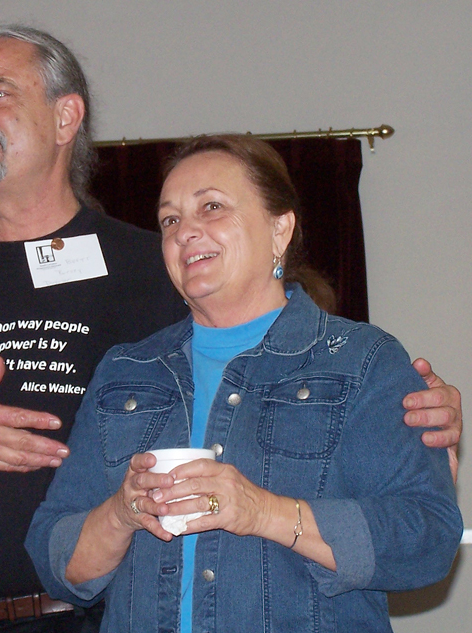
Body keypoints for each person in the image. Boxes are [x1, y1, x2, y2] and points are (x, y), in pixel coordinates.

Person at [0, 24, 461, 633]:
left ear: (67, 117)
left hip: (81, 618)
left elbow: (304, 364)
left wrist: (422, 414)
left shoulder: (164, 270)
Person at [26, 135, 463, 633]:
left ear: (280, 229)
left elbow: (428, 538)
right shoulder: (126, 370)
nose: (185, 232)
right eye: (170, 220)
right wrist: (120, 515)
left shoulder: (363, 361)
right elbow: (55, 559)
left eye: (211, 207)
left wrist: (262, 512)